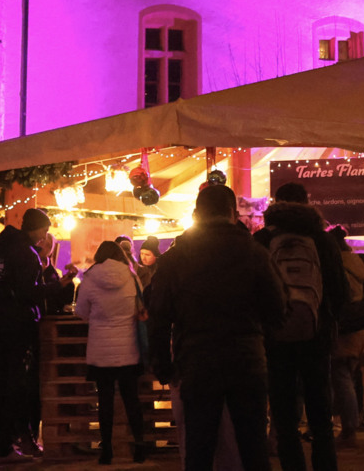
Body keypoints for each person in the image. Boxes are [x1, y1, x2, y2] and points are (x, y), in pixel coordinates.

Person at [146, 183, 286, 471]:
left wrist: (163, 365)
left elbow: (158, 316)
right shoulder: (254, 253)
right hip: (247, 360)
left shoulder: (175, 258)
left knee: (199, 448)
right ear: (233, 213)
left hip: (198, 361)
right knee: (253, 448)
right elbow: (278, 309)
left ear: (196, 214)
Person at [253, 184, 347, 471]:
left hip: (275, 337)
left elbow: (255, 290)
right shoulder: (321, 239)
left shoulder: (261, 239)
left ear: (275, 203)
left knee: (284, 417)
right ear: (307, 202)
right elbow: (340, 291)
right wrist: (326, 319)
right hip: (316, 335)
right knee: (320, 416)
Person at [0, 209, 71, 460]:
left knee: (8, 380)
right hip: (19, 324)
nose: (45, 236)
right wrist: (58, 286)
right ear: (37, 228)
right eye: (44, 230)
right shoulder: (26, 253)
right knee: (16, 384)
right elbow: (28, 292)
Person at [73, 240, 148, 465]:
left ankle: (107, 451)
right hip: (128, 349)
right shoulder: (132, 277)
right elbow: (140, 307)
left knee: (104, 400)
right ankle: (140, 447)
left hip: (101, 351)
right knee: (131, 399)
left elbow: (81, 312)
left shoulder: (90, 278)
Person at [324, 230, 364, 450]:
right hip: (355, 329)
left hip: (342, 328)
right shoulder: (357, 265)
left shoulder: (335, 266)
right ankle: (348, 427)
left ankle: (348, 429)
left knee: (341, 377)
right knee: (346, 376)